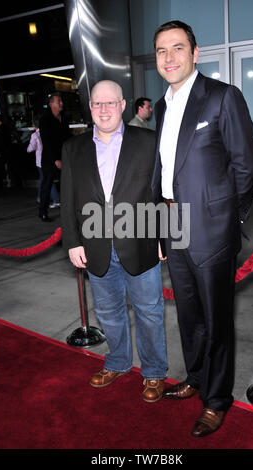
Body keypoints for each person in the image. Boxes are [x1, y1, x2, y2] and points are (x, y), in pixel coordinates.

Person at [151, 20, 253, 436]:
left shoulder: (221, 97)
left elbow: (247, 164)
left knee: (216, 320)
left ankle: (216, 399)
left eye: (177, 48)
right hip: (173, 221)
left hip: (213, 227)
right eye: (161, 51)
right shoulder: (161, 107)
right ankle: (196, 377)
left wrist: (230, 218)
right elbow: (164, 172)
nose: (169, 58)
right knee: (188, 313)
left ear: (195, 53)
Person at [61, 80, 168, 402]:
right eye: (97, 103)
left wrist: (167, 236)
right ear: (90, 108)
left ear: (123, 105)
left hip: (140, 244)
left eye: (110, 103)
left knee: (150, 313)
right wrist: (72, 242)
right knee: (108, 312)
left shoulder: (149, 141)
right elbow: (68, 200)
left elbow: (163, 193)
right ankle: (118, 362)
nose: (104, 109)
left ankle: (153, 373)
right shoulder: (73, 148)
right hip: (95, 245)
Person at [39, 92, 71, 221]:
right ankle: (43, 212)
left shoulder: (63, 117)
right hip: (50, 159)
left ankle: (68, 211)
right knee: (47, 185)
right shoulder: (45, 119)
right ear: (51, 104)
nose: (61, 103)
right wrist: (55, 159)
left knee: (67, 184)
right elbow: (46, 141)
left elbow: (67, 136)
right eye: (59, 101)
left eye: (61, 101)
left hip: (64, 157)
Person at [27, 118, 60, 205]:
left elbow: (31, 148)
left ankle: (55, 199)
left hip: (41, 161)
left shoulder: (35, 135)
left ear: (34, 126)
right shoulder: (49, 133)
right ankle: (41, 197)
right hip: (50, 159)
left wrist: (27, 149)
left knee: (46, 179)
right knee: (44, 179)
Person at [0, 114, 12, 188]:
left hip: (4, 150)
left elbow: (1, 141)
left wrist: (0, 151)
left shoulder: (1, 129)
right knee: (7, 166)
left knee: (1, 166)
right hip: (6, 150)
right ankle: (9, 181)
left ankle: (3, 182)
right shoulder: (3, 127)